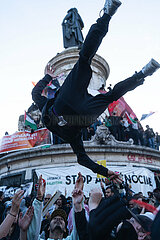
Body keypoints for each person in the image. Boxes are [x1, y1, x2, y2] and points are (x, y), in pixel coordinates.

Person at [32, 0, 160, 180]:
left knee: (110, 96)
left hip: (81, 116)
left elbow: (82, 159)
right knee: (85, 57)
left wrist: (105, 173)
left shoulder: (73, 138)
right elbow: (35, 94)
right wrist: (47, 77)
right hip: (66, 103)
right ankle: (107, 15)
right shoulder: (46, 105)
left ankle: (143, 74)